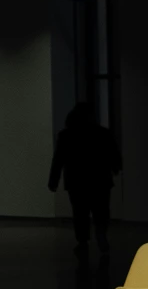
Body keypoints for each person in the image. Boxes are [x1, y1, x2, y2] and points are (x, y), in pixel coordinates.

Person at [48, 103, 120, 261]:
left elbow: (58, 159)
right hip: (100, 180)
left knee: (80, 213)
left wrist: (53, 180)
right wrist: (116, 167)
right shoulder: (102, 133)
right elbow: (113, 153)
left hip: (76, 181)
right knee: (101, 210)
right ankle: (101, 235)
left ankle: (83, 241)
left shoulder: (66, 135)